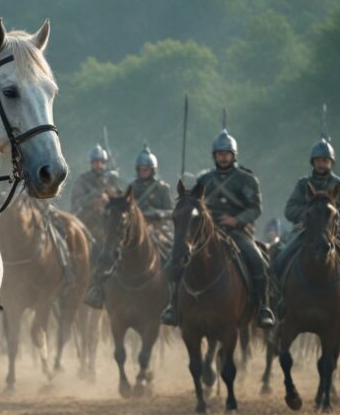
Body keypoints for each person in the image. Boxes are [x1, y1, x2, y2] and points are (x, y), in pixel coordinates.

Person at [161, 125, 276, 328]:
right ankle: (173, 305)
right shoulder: (204, 180)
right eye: (220, 154)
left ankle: (263, 307)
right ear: (215, 156)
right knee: (178, 257)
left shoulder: (246, 179)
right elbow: (195, 205)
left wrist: (236, 219)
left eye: (227, 154)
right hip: (205, 233)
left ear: (233, 155)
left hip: (238, 232)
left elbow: (255, 208)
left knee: (257, 260)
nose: (223, 158)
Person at [272, 138, 340, 331]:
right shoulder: (303, 184)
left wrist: (329, 218)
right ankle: (280, 300)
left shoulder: (339, 184)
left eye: (325, 160)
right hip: (305, 231)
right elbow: (290, 209)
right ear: (313, 162)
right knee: (279, 256)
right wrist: (309, 216)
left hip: (334, 232)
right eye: (318, 160)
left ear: (331, 163)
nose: (322, 163)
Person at [83, 144, 170, 308]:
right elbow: (123, 208)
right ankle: (99, 290)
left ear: (153, 170)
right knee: (110, 252)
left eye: (147, 170)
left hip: (157, 229)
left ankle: (173, 297)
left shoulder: (162, 189)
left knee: (170, 254)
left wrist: (156, 214)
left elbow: (170, 212)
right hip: (135, 230)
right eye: (141, 169)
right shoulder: (131, 188)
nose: (144, 172)